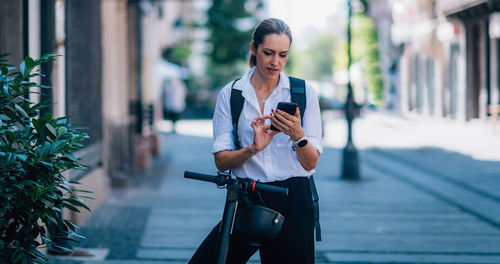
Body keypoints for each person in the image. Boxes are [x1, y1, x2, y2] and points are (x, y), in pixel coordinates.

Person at [189, 18, 322, 264]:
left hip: (293, 197)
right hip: (249, 195)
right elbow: (221, 161)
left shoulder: (303, 93)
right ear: (254, 48)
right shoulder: (232, 94)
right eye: (268, 53)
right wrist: (253, 149)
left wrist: (298, 135)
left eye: (283, 55)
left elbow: (310, 162)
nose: (275, 62)